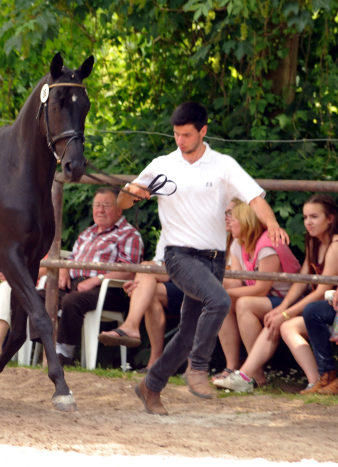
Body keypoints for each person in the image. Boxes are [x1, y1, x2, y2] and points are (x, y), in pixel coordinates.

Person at [120, 102, 288, 415]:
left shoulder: (223, 165)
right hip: (178, 255)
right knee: (221, 301)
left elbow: (255, 197)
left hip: (214, 259)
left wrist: (273, 223)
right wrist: (131, 192)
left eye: (186, 135)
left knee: (186, 333)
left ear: (203, 131)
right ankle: (197, 369)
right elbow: (124, 200)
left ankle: (150, 385)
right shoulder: (162, 164)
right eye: (175, 134)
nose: (180, 141)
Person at [215, 195, 338, 394]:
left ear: (330, 218)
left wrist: (285, 312)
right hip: (313, 307)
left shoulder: (335, 245)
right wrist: (282, 311)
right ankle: (316, 381)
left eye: (314, 217)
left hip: (325, 308)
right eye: (306, 217)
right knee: (282, 324)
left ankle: (246, 375)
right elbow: (301, 282)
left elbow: (321, 291)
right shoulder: (314, 242)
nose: (308, 222)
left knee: (277, 319)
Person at [40, 187, 143, 366]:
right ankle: (44, 344)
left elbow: (130, 270)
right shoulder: (87, 233)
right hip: (75, 286)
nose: (100, 210)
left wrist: (97, 279)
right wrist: (63, 270)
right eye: (97, 205)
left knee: (73, 301)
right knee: (37, 296)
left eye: (106, 205)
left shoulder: (129, 234)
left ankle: (64, 354)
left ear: (119, 209)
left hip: (108, 291)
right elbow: (71, 259)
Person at [213, 200, 300, 382]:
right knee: (222, 301)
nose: (226, 220)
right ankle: (231, 367)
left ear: (246, 219)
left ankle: (255, 373)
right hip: (267, 297)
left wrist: (223, 292)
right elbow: (236, 281)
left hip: (289, 300)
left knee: (244, 303)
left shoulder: (267, 244)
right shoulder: (238, 243)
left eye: (231, 216)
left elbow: (261, 289)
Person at [97, 234, 184, 371]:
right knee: (147, 285)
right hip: (174, 282)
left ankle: (131, 326)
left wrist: (142, 287)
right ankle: (155, 364)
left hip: (200, 283)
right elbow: (161, 263)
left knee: (146, 271)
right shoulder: (170, 226)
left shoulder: (202, 223)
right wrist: (142, 287)